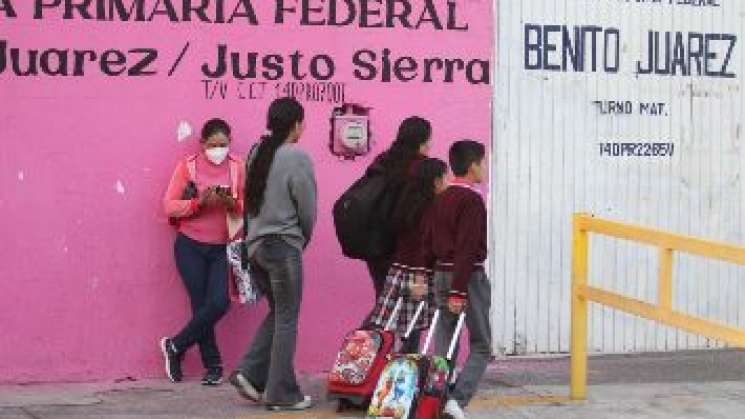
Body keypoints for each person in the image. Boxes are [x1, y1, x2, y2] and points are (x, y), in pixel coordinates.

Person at [229, 98, 317, 412]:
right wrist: (302, 239)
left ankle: (249, 373)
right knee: (288, 319)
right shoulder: (296, 156)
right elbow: (307, 208)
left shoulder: (257, 152)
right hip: (283, 247)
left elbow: (249, 203)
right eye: (302, 122)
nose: (304, 128)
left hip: (257, 247)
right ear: (295, 124)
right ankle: (281, 392)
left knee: (280, 312)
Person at [160, 118, 245, 385]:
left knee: (219, 302)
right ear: (202, 144)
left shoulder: (238, 167)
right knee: (201, 306)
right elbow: (170, 206)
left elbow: (249, 205)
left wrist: (232, 203)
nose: (218, 150)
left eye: (224, 144)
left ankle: (175, 345)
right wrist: (199, 203)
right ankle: (214, 367)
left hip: (223, 247)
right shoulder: (187, 167)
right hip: (190, 246)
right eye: (213, 145)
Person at [429, 140, 490, 419]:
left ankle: (436, 395)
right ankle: (457, 401)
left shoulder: (441, 197)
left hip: (441, 272)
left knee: (445, 338)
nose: (485, 168)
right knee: (481, 345)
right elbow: (467, 247)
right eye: (483, 162)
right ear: (473, 165)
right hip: (466, 277)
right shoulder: (472, 200)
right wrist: (458, 290)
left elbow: (428, 240)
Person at [368, 158, 448, 353]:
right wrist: (421, 277)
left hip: (400, 271)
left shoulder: (407, 205)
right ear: (436, 181)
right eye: (446, 177)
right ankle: (403, 374)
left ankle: (383, 365)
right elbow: (422, 245)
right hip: (418, 275)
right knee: (411, 330)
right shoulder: (430, 210)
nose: (448, 182)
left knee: (393, 326)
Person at [363, 116, 433, 325]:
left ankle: (366, 353)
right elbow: (420, 219)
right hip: (405, 252)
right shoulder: (422, 170)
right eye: (429, 140)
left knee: (384, 308)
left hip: (376, 246)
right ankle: (373, 353)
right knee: (408, 319)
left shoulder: (383, 161)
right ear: (422, 141)